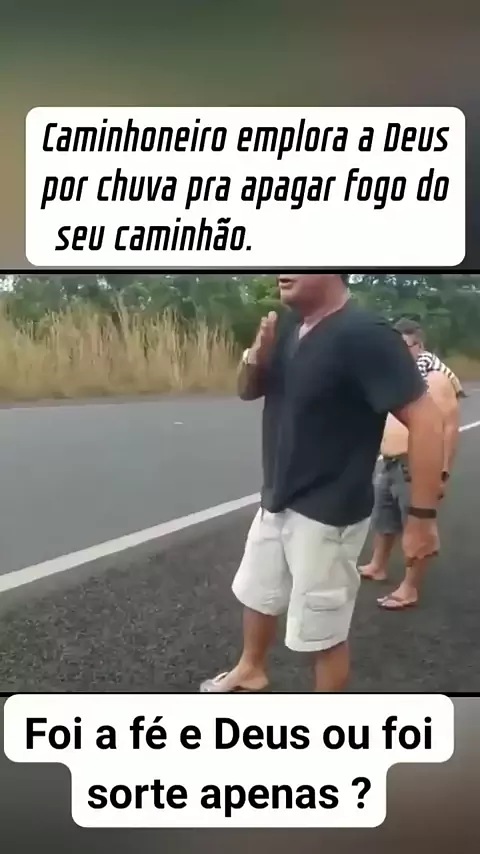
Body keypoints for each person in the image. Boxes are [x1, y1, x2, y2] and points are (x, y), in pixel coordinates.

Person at [200, 275, 444, 694]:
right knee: (258, 594)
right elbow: (247, 390)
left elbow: (426, 420)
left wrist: (422, 518)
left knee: (323, 630)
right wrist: (255, 358)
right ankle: (250, 668)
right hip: (277, 498)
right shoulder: (289, 327)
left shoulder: (366, 334)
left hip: (329, 511)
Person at [360, 319, 460, 609]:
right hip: (389, 462)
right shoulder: (401, 380)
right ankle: (378, 566)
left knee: (415, 525)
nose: (399, 352)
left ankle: (410, 587)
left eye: (405, 346)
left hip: (413, 464)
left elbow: (448, 428)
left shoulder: (435, 379)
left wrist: (443, 472)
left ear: (419, 345)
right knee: (384, 519)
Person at [394, 318, 466, 398]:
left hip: (448, 382)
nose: (401, 350)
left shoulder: (422, 359)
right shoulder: (407, 361)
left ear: (419, 345)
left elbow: (421, 384)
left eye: (406, 346)